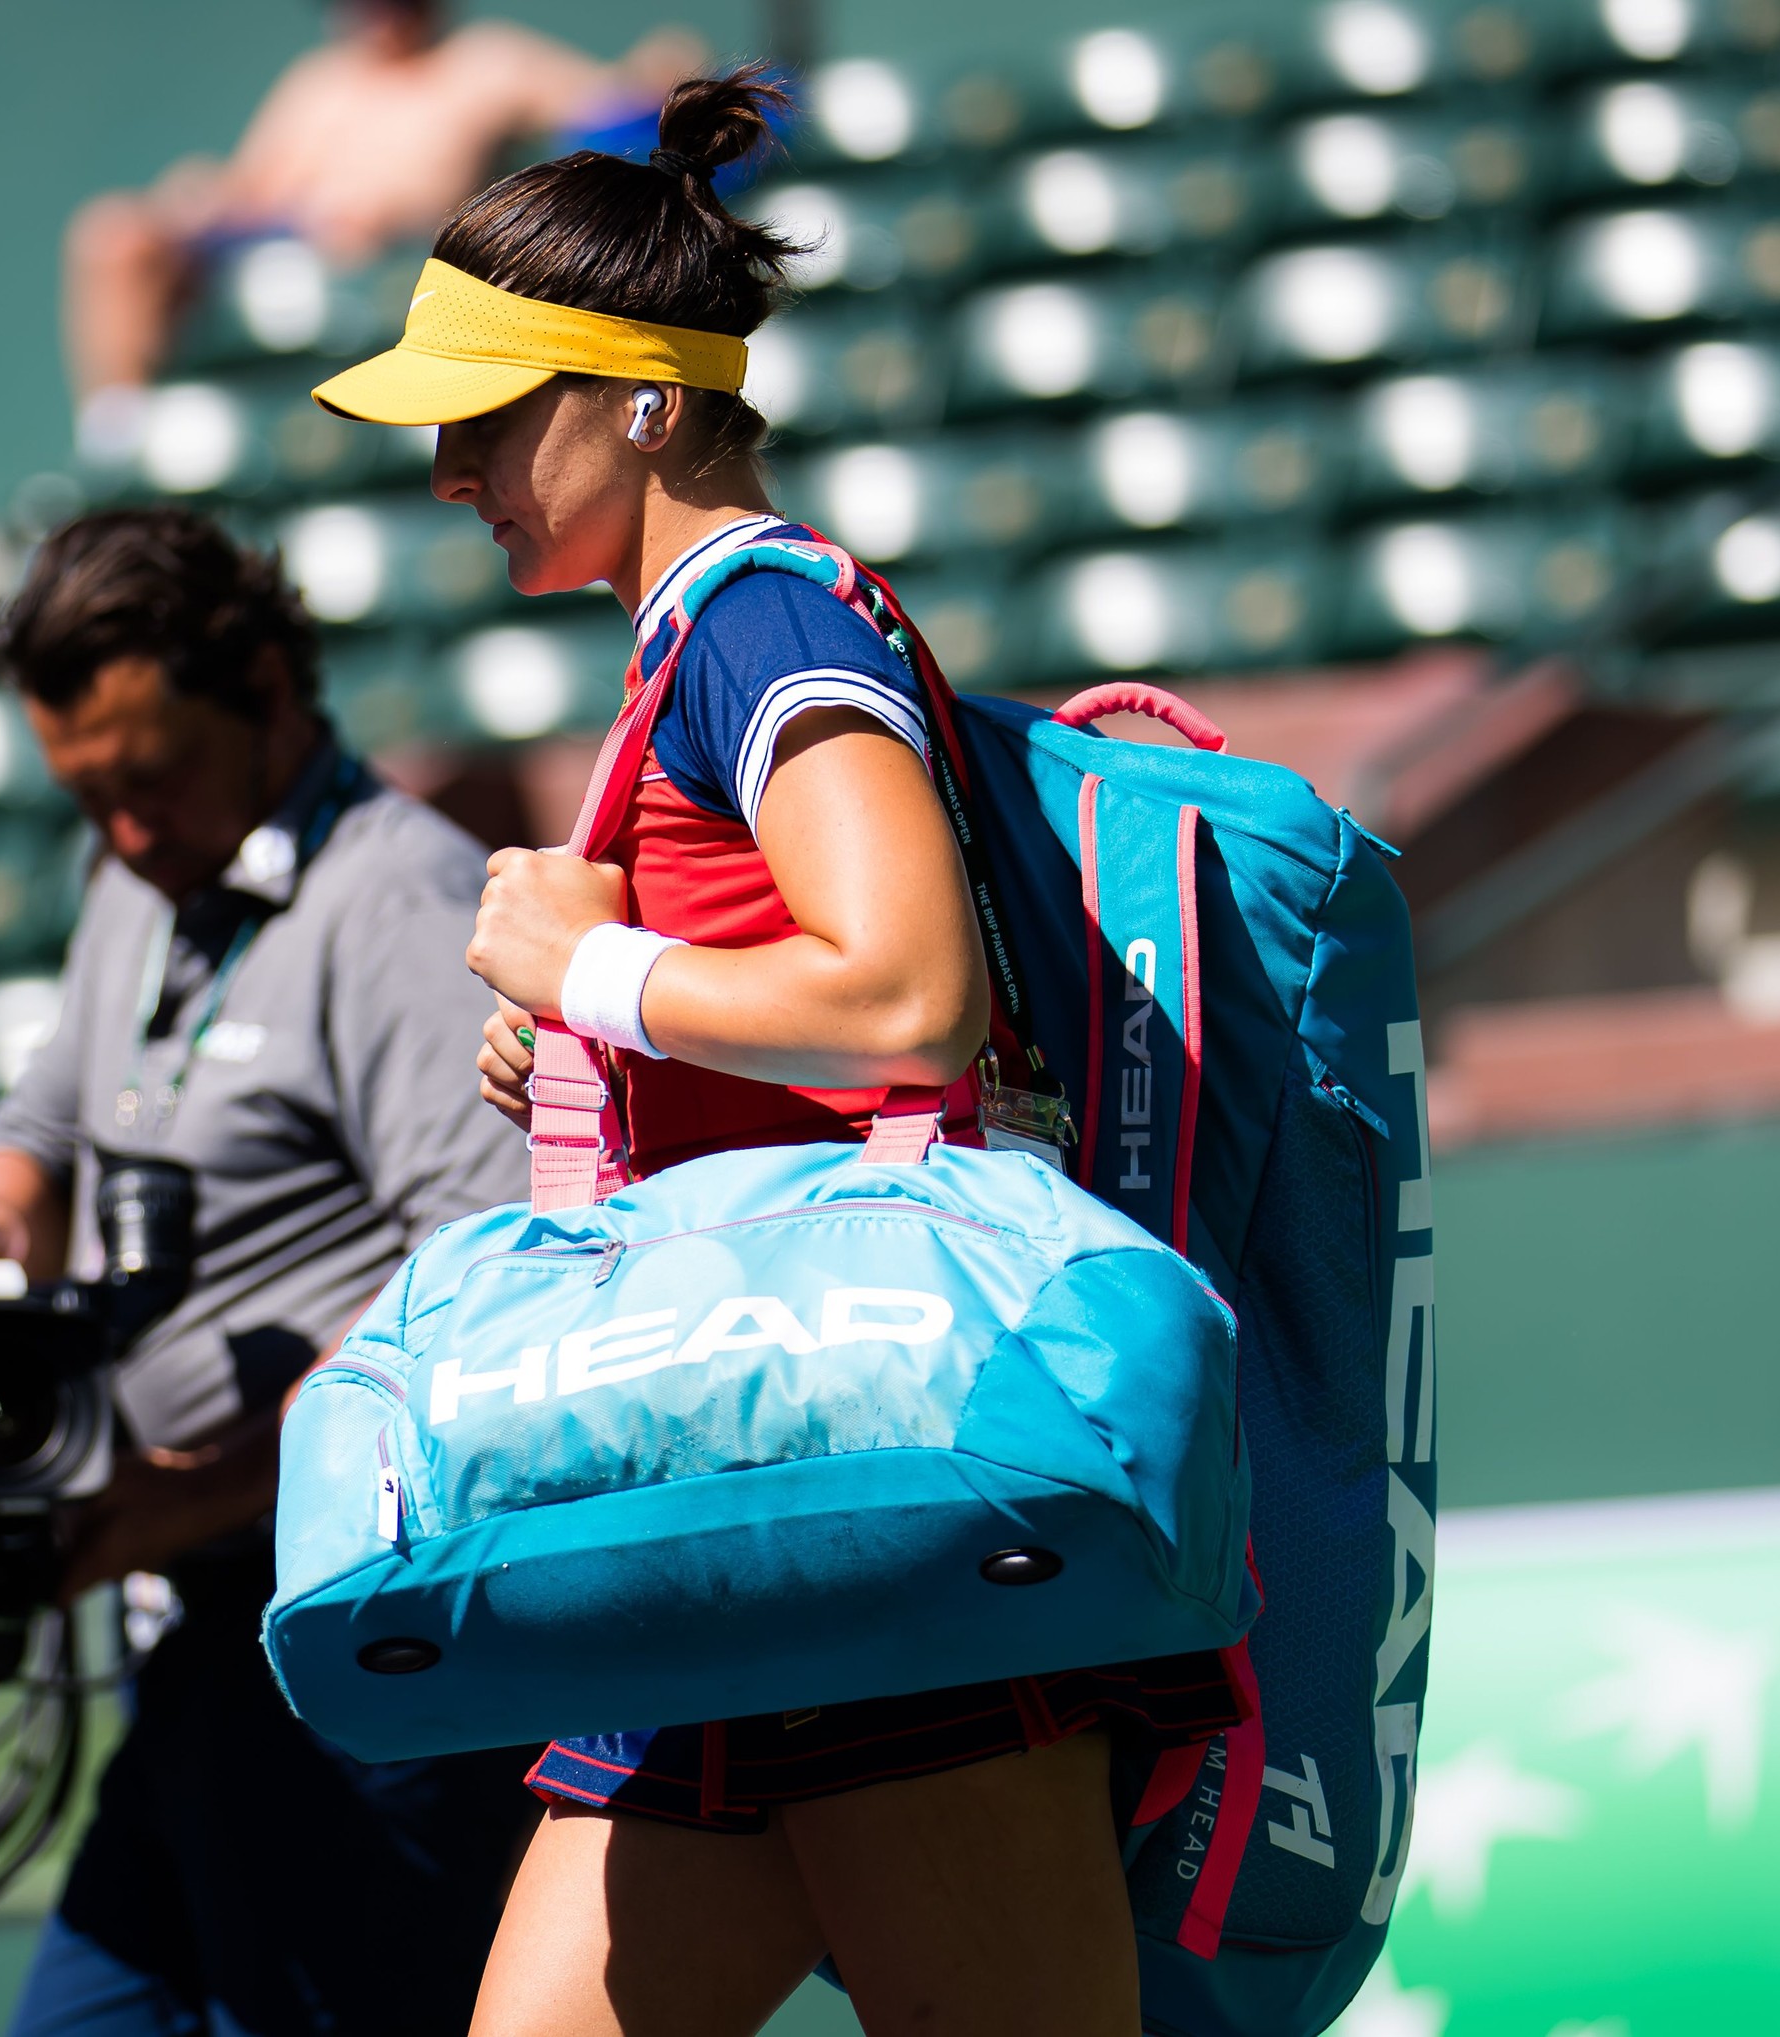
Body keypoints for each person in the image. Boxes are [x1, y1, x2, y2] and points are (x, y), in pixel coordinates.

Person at [306, 71, 1246, 2037]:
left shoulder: (756, 614)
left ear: (641, 401)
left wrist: (610, 970)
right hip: (726, 1516)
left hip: (863, 1520)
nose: (443, 470)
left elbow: (897, 992)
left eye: (481, 417)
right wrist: (592, 1024)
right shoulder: (690, 639)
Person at [0, 506, 539, 2036]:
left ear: (270, 689)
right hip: (198, 1641)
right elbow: (38, 1122)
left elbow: (478, 1293)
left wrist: (171, 1494)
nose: (123, 832)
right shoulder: (135, 886)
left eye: (147, 780)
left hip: (358, 1654)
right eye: (87, 798)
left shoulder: (397, 895)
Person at [63, 0, 702, 453]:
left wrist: (662, 67)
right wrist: (199, 194)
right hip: (293, 238)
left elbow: (611, 96)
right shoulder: (320, 81)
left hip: (408, 259)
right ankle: (118, 442)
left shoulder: (487, 61)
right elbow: (249, 191)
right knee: (114, 235)